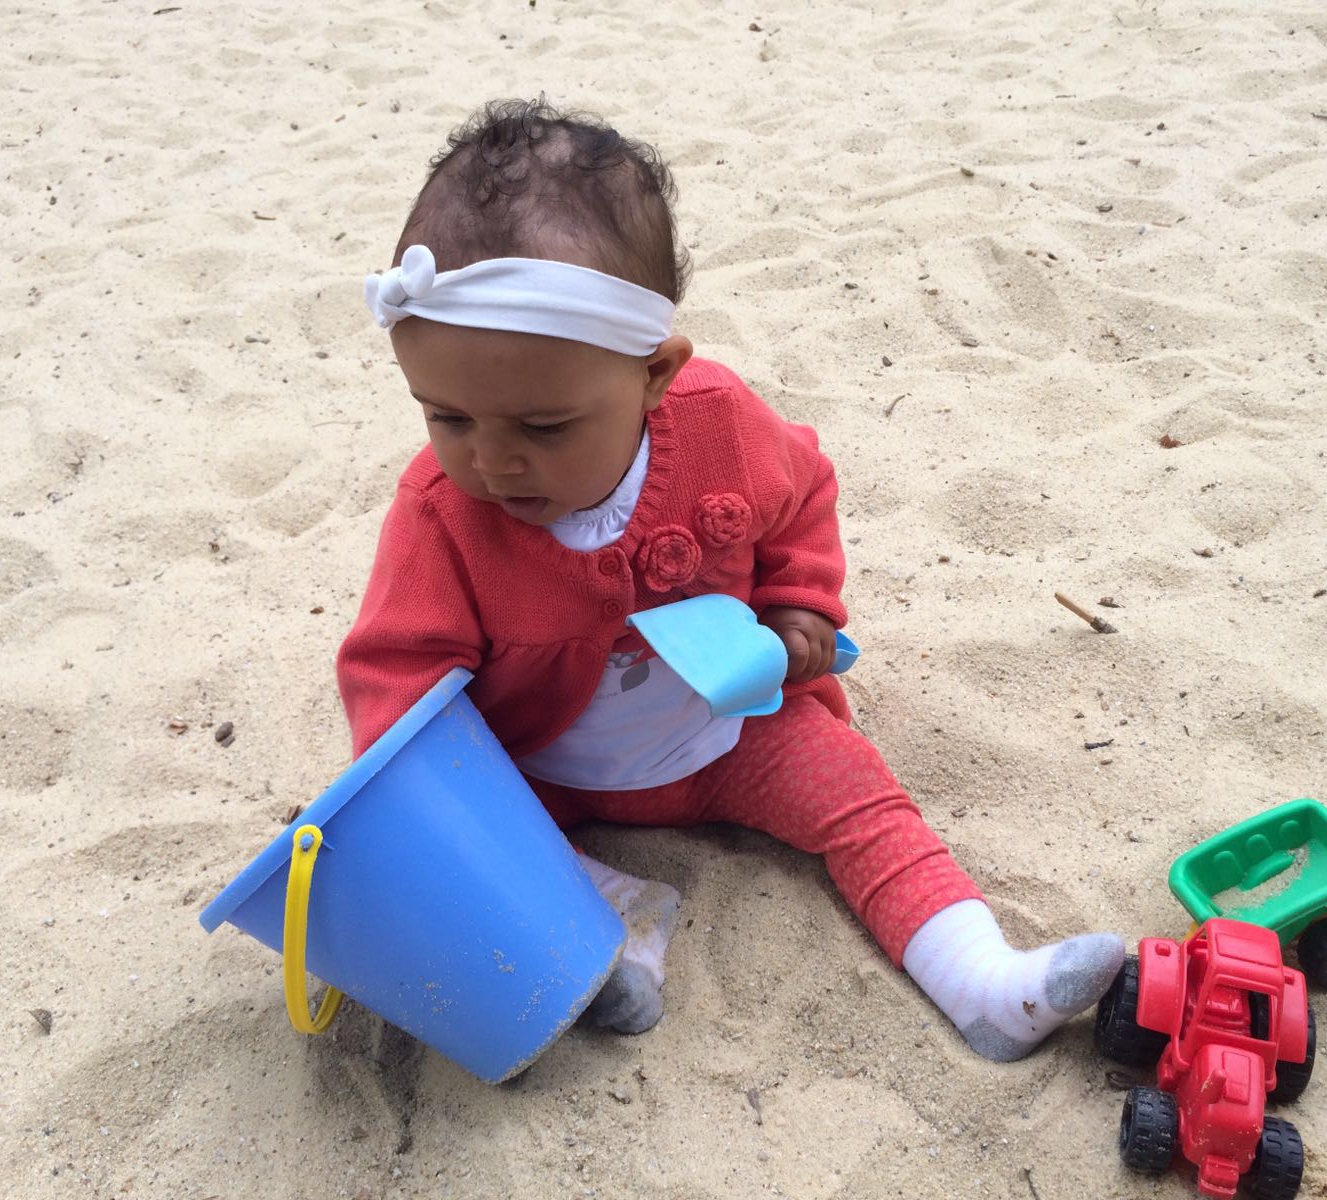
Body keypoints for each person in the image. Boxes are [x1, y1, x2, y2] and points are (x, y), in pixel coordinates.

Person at [338, 99, 1124, 1061]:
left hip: (730, 731)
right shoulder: (440, 516)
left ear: (656, 374)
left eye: (542, 429)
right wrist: (428, 810)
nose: (492, 461)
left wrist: (800, 604)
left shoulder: (719, 424)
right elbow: (396, 676)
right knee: (480, 860)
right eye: (446, 418)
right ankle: (596, 950)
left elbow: (802, 499)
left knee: (861, 796)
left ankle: (986, 981)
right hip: (541, 766)